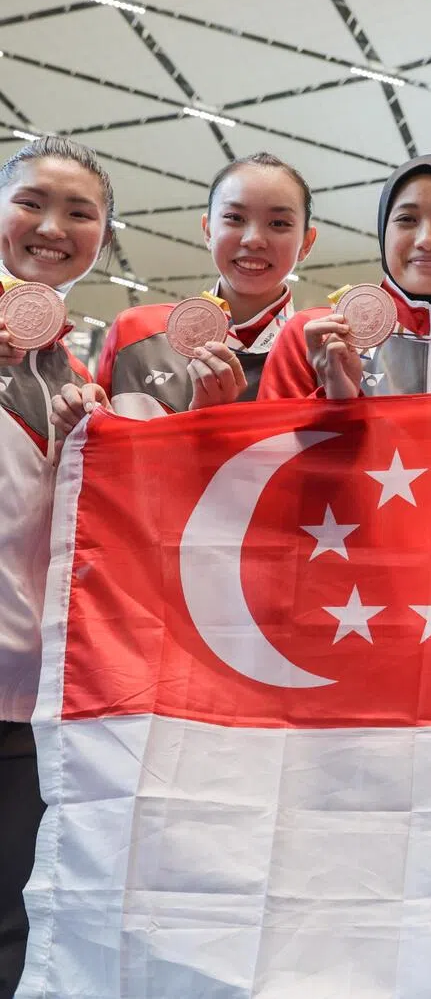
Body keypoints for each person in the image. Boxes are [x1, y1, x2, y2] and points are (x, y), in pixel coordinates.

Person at [0, 136, 116, 998]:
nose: (53, 226)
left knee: (17, 925)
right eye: (32, 202)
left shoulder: (75, 379)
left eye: (80, 213)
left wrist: (96, 448)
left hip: (28, 714)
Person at [260, 155, 431, 398]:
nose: (426, 240)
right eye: (407, 219)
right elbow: (268, 453)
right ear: (384, 234)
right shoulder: (315, 338)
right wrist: (336, 403)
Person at [87, 152, 317, 419]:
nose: (254, 239)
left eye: (278, 223)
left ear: (307, 243)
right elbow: (98, 448)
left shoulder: (324, 352)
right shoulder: (136, 334)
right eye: (234, 218)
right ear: (207, 230)